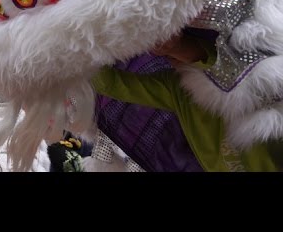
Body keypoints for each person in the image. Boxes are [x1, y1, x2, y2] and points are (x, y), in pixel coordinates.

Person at [92, 33, 283, 171]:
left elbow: (245, 72)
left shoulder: (261, 65)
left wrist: (184, 49)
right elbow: (113, 85)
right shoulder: (178, 88)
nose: (162, 52)